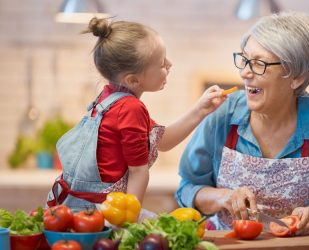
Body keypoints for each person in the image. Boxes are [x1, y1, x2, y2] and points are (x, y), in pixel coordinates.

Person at [175, 12, 309, 235]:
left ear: (297, 77)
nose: (245, 73)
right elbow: (186, 189)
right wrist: (223, 197)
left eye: (258, 64)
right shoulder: (222, 115)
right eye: (245, 60)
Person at [46, 17, 227, 212]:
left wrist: (201, 109)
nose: (170, 64)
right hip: (101, 211)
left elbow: (162, 141)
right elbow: (138, 172)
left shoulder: (108, 99)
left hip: (77, 205)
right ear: (133, 80)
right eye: (161, 63)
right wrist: (128, 222)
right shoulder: (131, 108)